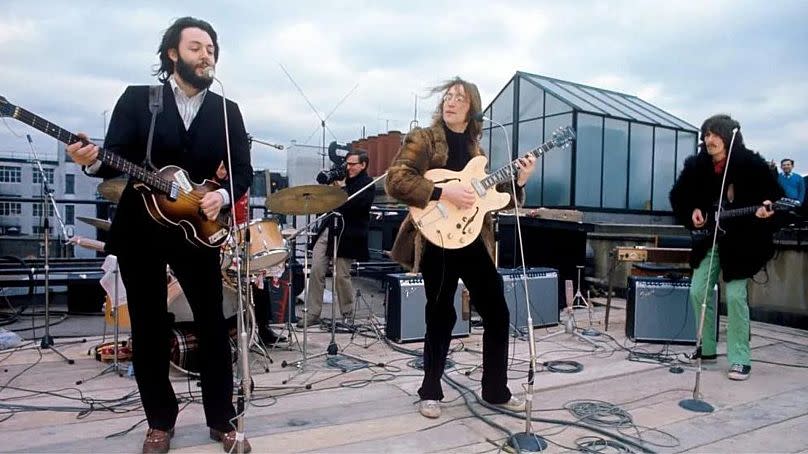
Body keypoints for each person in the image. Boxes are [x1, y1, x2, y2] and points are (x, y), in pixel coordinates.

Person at [66, 17, 253, 453]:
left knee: (212, 324)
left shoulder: (227, 112)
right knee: (149, 328)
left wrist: (221, 197)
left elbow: (242, 172)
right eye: (196, 47)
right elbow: (110, 159)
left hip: (196, 229)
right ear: (173, 54)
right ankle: (159, 422)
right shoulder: (139, 100)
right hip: (141, 230)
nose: (206, 54)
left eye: (211, 48)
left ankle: (222, 419)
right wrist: (88, 161)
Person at [385, 77, 535, 418]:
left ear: (472, 110)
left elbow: (490, 201)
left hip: (472, 238)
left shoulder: (476, 152)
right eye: (448, 97)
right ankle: (431, 391)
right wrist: (441, 192)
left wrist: (520, 182)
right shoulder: (423, 139)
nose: (450, 102)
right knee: (440, 315)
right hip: (435, 237)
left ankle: (495, 390)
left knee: (497, 312)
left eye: (459, 99)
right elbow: (397, 179)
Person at [669, 114, 783, 381]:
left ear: (729, 136)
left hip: (742, 244)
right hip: (710, 240)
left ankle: (740, 358)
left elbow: (774, 198)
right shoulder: (697, 165)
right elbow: (679, 196)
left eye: (714, 134)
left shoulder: (750, 164)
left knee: (734, 297)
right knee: (698, 291)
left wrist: (768, 212)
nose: (709, 140)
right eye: (706, 135)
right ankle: (706, 349)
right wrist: (693, 210)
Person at [299, 150, 374, 327]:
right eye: (347, 164)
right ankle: (312, 313)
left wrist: (341, 189)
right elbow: (326, 198)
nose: (348, 168)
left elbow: (357, 206)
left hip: (349, 233)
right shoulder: (341, 177)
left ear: (363, 165)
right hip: (329, 228)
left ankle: (347, 314)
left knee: (341, 275)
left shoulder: (367, 184)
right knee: (316, 269)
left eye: (353, 164)